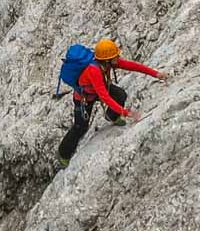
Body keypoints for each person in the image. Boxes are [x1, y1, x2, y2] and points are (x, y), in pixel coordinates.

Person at [56, 38, 164, 167]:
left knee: (120, 95)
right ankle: (63, 154)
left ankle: (112, 116)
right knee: (80, 127)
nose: (118, 57)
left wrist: (156, 74)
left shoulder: (108, 63)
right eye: (115, 56)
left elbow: (133, 66)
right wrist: (126, 113)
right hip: (84, 98)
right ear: (107, 59)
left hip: (97, 90)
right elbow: (105, 97)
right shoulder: (94, 70)